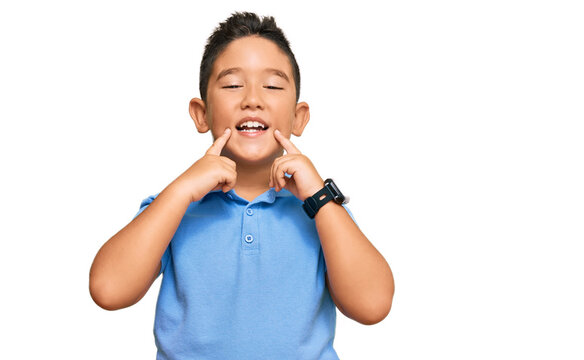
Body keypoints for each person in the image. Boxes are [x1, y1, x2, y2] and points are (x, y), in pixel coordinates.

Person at [89, 12, 394, 359]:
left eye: (274, 86)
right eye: (233, 85)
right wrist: (182, 189)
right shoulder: (174, 208)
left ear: (299, 117)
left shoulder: (323, 213)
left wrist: (321, 198)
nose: (252, 99)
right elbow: (108, 290)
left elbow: (373, 306)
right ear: (201, 114)